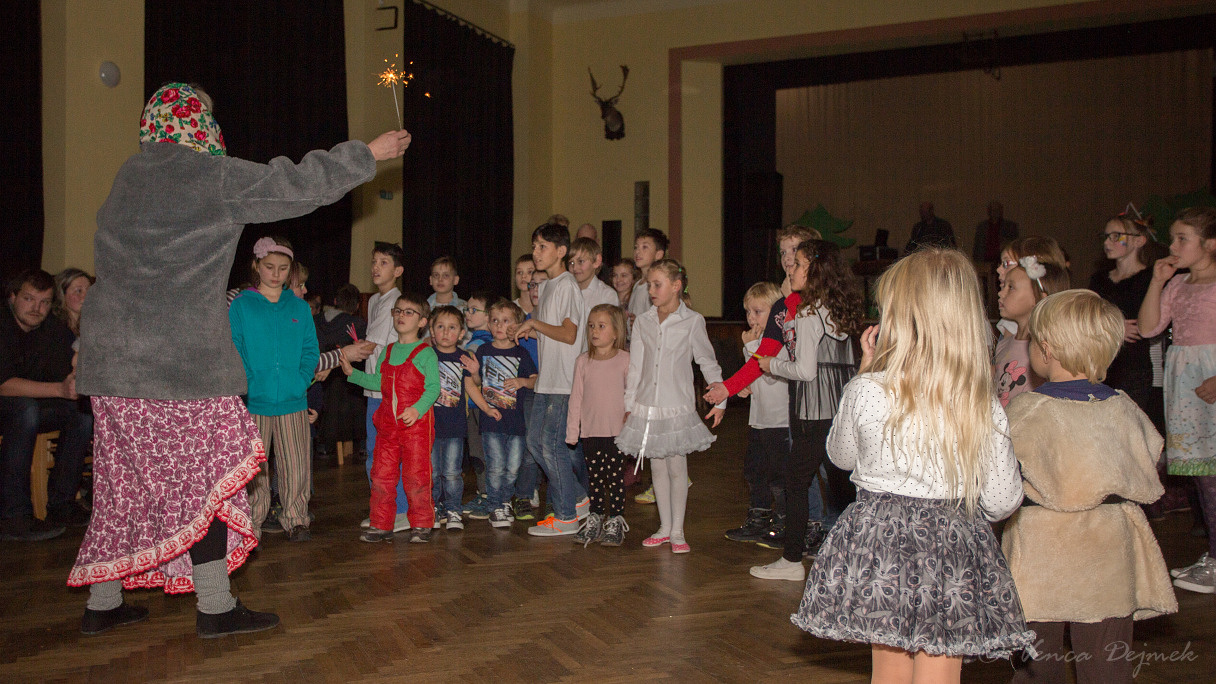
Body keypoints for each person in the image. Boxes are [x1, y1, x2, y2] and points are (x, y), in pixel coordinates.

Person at [69, 82, 410, 637]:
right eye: (207, 113)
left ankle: (102, 602)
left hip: (110, 362)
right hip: (178, 365)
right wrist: (366, 155)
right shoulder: (210, 175)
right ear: (195, 122)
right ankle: (215, 607)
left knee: (122, 482)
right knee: (212, 479)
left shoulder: (128, 175)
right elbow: (292, 185)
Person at [792, 248, 1034, 683]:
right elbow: (1001, 500)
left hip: (880, 545)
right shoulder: (980, 405)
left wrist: (864, 374)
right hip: (949, 550)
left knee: (888, 673)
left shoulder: (868, 390)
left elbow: (841, 457)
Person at [1003, 290, 1177, 683]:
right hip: (1109, 549)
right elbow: (1150, 458)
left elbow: (1000, 474)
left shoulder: (1027, 410)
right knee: (1107, 662)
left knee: (1037, 661)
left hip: (1042, 552)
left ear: (1046, 350)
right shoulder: (1125, 407)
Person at [707, 240, 864, 579]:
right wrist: (730, 386)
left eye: (799, 263)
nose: (791, 268)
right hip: (842, 408)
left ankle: (792, 561)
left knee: (798, 482)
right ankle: (852, 560)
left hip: (813, 410)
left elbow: (803, 370)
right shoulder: (839, 309)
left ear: (815, 270)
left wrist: (771, 365)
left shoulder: (806, 313)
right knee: (844, 485)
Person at [617, 260, 726, 553]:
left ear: (676, 286)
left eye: (657, 284)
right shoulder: (643, 321)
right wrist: (629, 403)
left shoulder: (692, 321)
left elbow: (707, 361)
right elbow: (636, 366)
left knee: (677, 469)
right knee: (657, 467)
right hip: (647, 406)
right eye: (649, 285)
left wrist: (721, 397)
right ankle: (664, 527)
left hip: (676, 405)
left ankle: (678, 530)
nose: (651, 290)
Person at [1137, 207, 1216, 593]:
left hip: (1211, 378)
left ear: (1211, 243)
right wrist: (1157, 282)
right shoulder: (1177, 284)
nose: (1173, 246)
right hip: (1184, 384)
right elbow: (1149, 327)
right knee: (1203, 475)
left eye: (1183, 239)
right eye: (1172, 239)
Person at [229, 236, 319, 542]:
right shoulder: (242, 305)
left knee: (296, 464)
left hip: (293, 400)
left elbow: (310, 350)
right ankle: (251, 524)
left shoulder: (299, 308)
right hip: (254, 400)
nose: (276, 274)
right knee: (255, 469)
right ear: (256, 265)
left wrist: (300, 380)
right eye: (269, 267)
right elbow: (234, 348)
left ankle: (296, 518)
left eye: (283, 268)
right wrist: (249, 383)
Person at [0, 269, 92, 540]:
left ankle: (62, 503)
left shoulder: (51, 328)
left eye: (44, 302)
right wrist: (59, 389)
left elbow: (68, 366)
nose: (36, 308)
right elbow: (4, 385)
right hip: (13, 405)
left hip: (28, 406)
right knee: (25, 410)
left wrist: (74, 378)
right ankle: (13, 516)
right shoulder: (3, 325)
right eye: (29, 299)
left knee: (81, 414)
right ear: (13, 297)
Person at [341, 293, 439, 543]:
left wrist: (417, 409)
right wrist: (353, 373)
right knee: (381, 474)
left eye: (409, 312)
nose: (401, 315)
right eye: (398, 311)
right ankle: (381, 523)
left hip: (416, 427)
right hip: (387, 426)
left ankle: (422, 522)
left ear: (422, 322)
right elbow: (378, 382)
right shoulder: (388, 350)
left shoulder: (426, 353)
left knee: (416, 475)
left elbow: (433, 389)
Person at [513, 223, 588, 535]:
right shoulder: (546, 288)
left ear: (561, 251)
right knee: (535, 442)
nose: (536, 252)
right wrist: (531, 328)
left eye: (543, 246)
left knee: (551, 445)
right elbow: (552, 333)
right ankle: (579, 497)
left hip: (564, 381)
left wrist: (535, 324)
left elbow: (569, 335)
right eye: (534, 246)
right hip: (547, 380)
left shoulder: (567, 285)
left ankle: (566, 516)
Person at [722, 282, 790, 545]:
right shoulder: (754, 343)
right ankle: (759, 518)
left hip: (779, 422)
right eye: (748, 312)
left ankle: (784, 521)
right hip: (759, 421)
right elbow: (754, 378)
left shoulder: (779, 343)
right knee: (755, 471)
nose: (751, 318)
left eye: (758, 312)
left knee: (779, 475)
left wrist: (750, 348)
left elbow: (771, 377)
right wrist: (744, 387)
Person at [567, 304, 631, 547]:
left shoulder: (625, 360)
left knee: (614, 479)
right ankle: (595, 516)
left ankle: (614, 520)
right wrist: (573, 432)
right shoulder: (583, 361)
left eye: (601, 326)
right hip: (591, 432)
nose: (594, 331)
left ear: (616, 332)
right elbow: (576, 399)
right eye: (591, 326)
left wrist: (632, 420)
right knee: (594, 479)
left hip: (617, 433)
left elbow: (632, 395)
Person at [427, 305, 496, 531]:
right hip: (429, 426)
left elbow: (472, 387)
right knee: (432, 472)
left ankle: (454, 510)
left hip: (455, 428)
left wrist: (486, 408)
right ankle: (434, 508)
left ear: (461, 333)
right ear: (432, 330)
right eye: (440, 327)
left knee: (452, 472)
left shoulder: (464, 358)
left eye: (452, 328)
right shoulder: (426, 356)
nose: (446, 332)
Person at [360, 242, 411, 533]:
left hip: (388, 392)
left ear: (398, 271)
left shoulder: (396, 301)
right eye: (374, 261)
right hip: (374, 389)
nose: (376, 267)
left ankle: (400, 510)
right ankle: (383, 509)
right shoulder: (374, 301)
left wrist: (338, 359)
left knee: (388, 453)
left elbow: (371, 345)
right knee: (374, 453)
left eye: (384, 262)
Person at [475, 299, 537, 527]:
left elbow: (535, 380)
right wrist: (473, 373)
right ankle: (495, 506)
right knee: (496, 466)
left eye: (506, 321)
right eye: (495, 321)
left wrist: (522, 381)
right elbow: (475, 381)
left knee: (512, 468)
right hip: (491, 420)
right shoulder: (483, 351)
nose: (500, 325)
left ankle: (504, 501)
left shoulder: (522, 353)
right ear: (488, 325)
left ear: (517, 325)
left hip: (516, 422)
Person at [994, 257, 1070, 407]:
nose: (1001, 294)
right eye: (1004, 286)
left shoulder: (1044, 351)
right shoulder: (1004, 343)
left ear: (1039, 298)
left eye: (1011, 287)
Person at [511, 268, 547, 522]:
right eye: (532, 284)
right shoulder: (523, 320)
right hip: (529, 390)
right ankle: (524, 493)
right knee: (529, 444)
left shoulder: (561, 321)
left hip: (555, 389)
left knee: (551, 446)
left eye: (541, 284)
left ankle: (565, 497)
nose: (535, 289)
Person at [627, 228, 668, 324]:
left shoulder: (658, 286)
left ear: (658, 254)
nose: (637, 252)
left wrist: (641, 324)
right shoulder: (637, 284)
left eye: (644, 247)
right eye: (636, 247)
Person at [569, 238, 619, 312]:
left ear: (596, 261)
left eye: (581, 261)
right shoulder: (565, 291)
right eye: (571, 263)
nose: (575, 268)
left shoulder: (607, 295)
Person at [52, 267, 94, 344]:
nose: (86, 296)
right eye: (79, 291)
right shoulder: (54, 329)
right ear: (62, 294)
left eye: (89, 290)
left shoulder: (93, 324)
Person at [776, 225, 819, 296]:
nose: (786, 258)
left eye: (794, 249)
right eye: (783, 252)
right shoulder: (780, 297)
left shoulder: (821, 293)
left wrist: (790, 297)